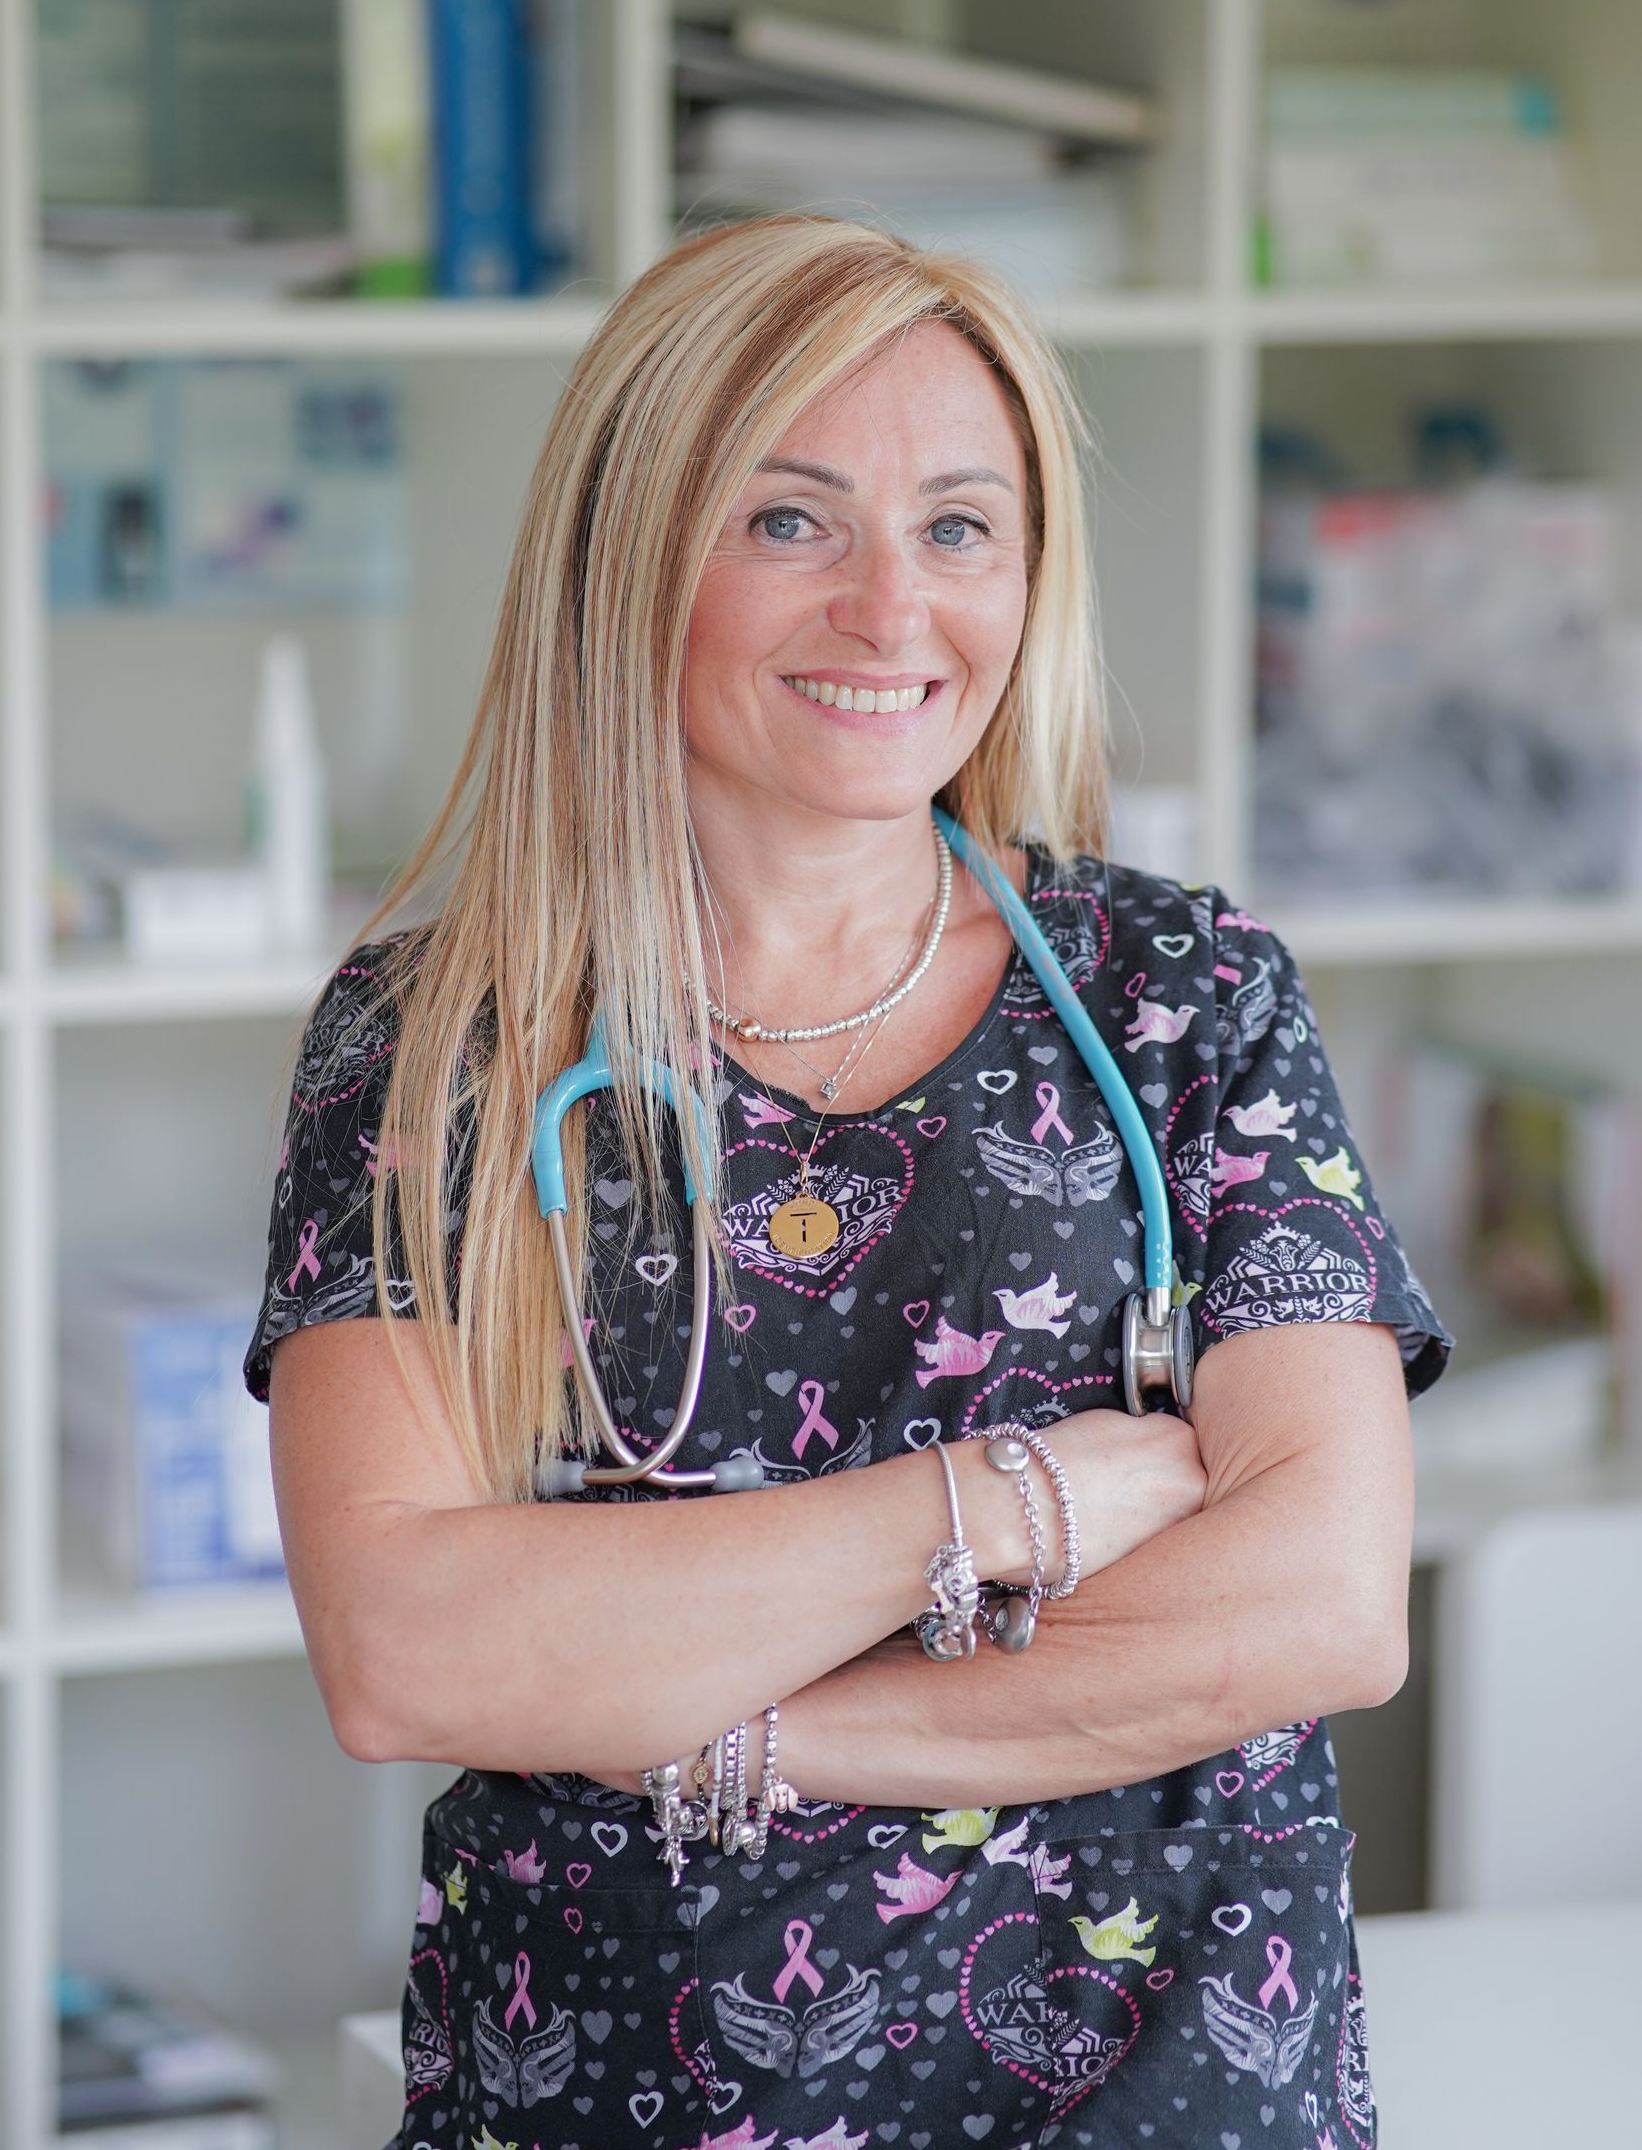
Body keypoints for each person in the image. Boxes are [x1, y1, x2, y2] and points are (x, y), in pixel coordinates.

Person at [243, 215, 1455, 2150]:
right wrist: (1011, 1500)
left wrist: (725, 1726)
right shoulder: (440, 1040)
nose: (895, 611)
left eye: (960, 527)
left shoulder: (1185, 999)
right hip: (624, 2085)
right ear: (630, 559)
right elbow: (410, 1651)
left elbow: (1318, 1611)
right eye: (792, 520)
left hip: (1166, 2083)